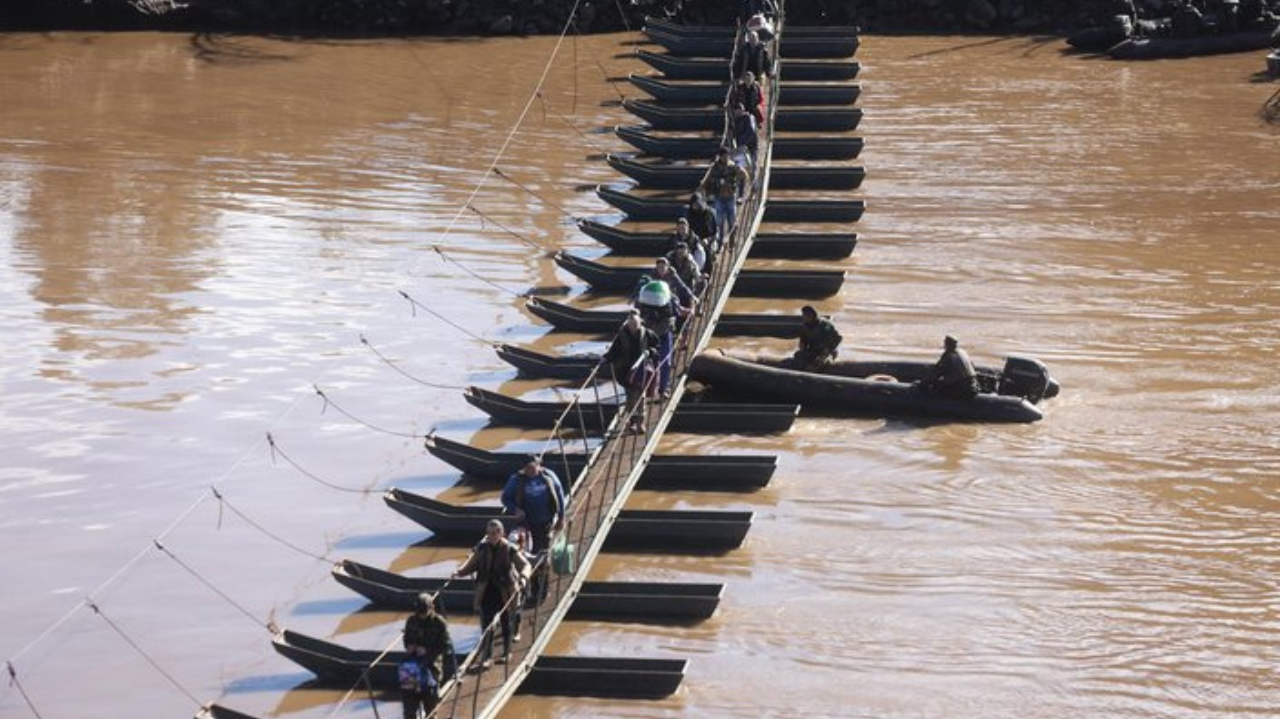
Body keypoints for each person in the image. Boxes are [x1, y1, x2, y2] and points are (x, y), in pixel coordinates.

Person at [451, 519, 531, 670]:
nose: (492, 536)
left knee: (506, 622)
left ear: (502, 533)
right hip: (486, 591)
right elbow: (471, 566)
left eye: (495, 533)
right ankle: (486, 658)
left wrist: (523, 578)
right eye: (489, 533)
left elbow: (525, 565)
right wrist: (459, 572)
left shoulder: (510, 549)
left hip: (505, 591)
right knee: (487, 625)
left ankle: (507, 653)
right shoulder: (481, 549)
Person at [602, 309, 661, 433]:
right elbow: (614, 351)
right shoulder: (621, 335)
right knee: (630, 396)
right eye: (631, 324)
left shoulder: (648, 334)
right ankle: (633, 422)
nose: (633, 327)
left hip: (642, 370)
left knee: (641, 396)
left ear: (640, 322)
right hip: (625, 371)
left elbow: (657, 347)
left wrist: (650, 352)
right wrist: (605, 358)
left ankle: (641, 422)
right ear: (627, 324)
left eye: (635, 324)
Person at [634, 278, 693, 397]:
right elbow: (634, 316)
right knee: (641, 361)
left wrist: (690, 311)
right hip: (647, 336)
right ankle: (641, 388)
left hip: (664, 334)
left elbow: (680, 311)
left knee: (666, 362)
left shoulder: (671, 300)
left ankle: (663, 388)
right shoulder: (641, 302)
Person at [400, 592, 455, 719]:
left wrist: (427, 651)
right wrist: (409, 647)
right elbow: (406, 639)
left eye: (425, 612)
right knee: (409, 709)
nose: (422, 616)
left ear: (432, 608)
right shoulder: (411, 621)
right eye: (420, 613)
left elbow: (446, 646)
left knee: (430, 707)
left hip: (431, 667)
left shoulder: (439, 623)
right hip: (411, 667)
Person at [500, 456, 566, 555]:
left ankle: (543, 565)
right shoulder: (516, 479)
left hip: (547, 520)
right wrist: (515, 509)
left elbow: (560, 493)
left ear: (539, 465)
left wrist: (561, 518)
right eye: (527, 468)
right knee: (529, 549)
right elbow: (505, 498)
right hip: (527, 521)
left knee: (545, 548)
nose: (530, 470)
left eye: (532, 467)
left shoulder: (549, 475)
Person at [699, 148, 749, 247]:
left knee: (732, 220)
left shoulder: (733, 166)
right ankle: (720, 243)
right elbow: (706, 180)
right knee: (719, 222)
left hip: (731, 197)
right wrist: (701, 189)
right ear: (720, 156)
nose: (726, 157)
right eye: (724, 156)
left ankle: (732, 240)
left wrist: (739, 173)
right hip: (719, 197)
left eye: (727, 155)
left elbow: (745, 176)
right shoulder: (714, 167)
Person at [920, 335, 980, 400]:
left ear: (947, 344)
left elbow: (936, 373)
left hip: (961, 388)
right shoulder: (963, 352)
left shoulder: (948, 356)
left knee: (934, 387)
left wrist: (922, 384)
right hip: (973, 384)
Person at [793, 305, 843, 371]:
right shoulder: (805, 326)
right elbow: (803, 338)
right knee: (798, 356)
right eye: (804, 315)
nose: (804, 317)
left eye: (807, 315)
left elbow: (838, 338)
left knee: (819, 363)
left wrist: (828, 350)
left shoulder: (825, 325)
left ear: (813, 315)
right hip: (814, 350)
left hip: (827, 352)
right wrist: (802, 345)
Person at [685, 191, 718, 256]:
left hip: (708, 239)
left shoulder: (708, 213)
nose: (694, 206)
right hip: (694, 238)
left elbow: (712, 231)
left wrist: (707, 239)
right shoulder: (689, 214)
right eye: (693, 204)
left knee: (708, 248)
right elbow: (689, 228)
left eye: (696, 204)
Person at [731, 104, 759, 176]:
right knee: (742, 166)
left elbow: (750, 132)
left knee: (752, 165)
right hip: (742, 147)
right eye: (735, 112)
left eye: (738, 111)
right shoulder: (736, 120)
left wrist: (741, 143)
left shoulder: (749, 118)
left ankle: (754, 182)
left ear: (742, 110)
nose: (736, 113)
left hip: (750, 146)